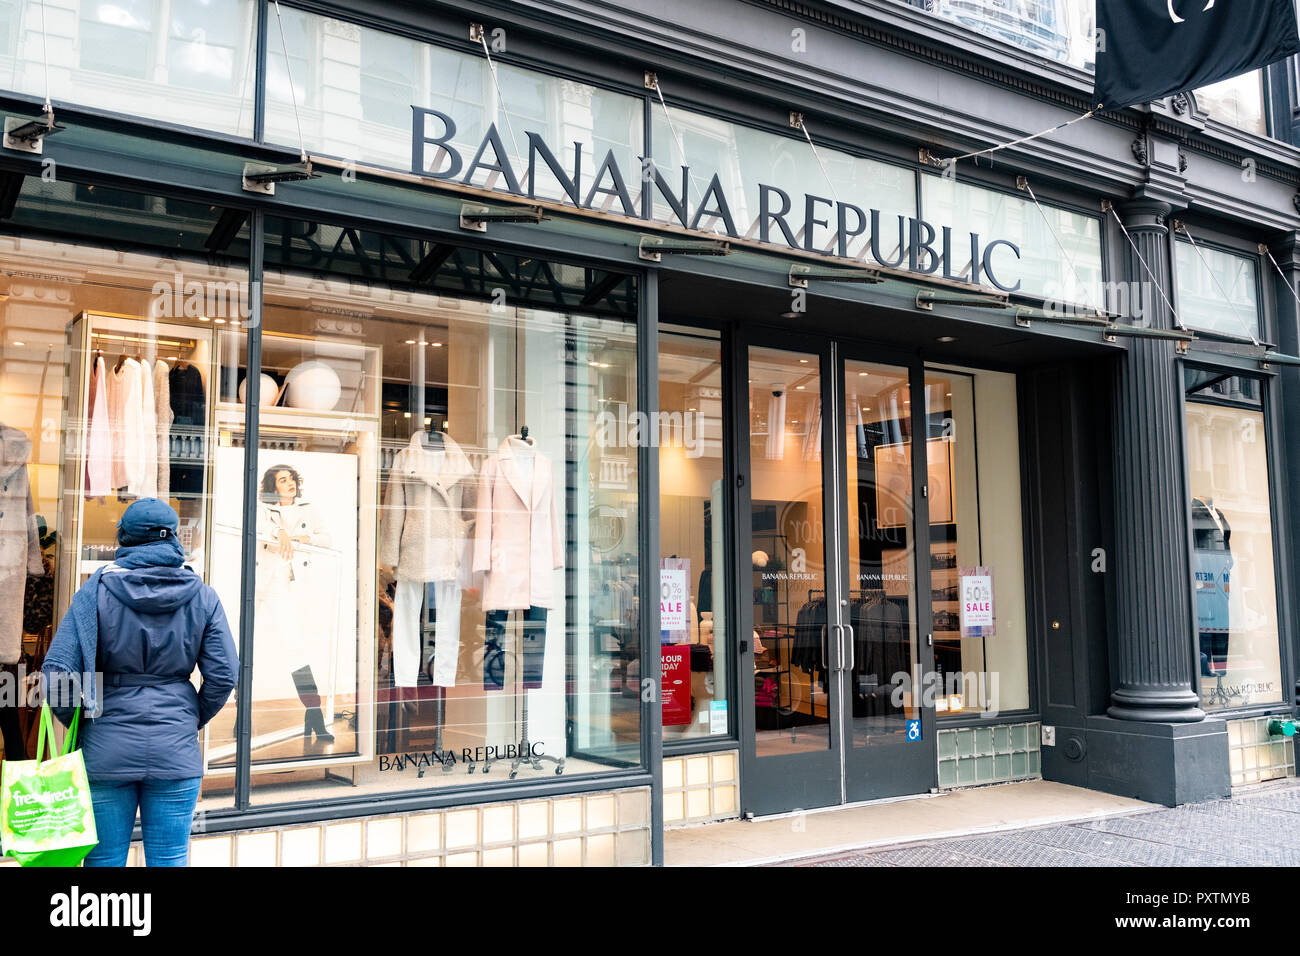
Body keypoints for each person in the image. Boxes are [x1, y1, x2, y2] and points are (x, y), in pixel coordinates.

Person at [42, 497, 237, 867]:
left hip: (105, 750)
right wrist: (190, 716)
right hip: (175, 749)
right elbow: (225, 673)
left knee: (103, 860)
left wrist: (81, 723)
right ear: (173, 538)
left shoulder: (93, 592)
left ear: (125, 538)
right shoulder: (204, 596)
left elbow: (56, 676)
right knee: (170, 858)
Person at [256, 464, 334, 744]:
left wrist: (304, 537)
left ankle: (315, 716)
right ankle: (241, 717)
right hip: (261, 582)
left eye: (291, 479)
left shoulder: (308, 508)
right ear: (273, 486)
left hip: (291, 586)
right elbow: (262, 527)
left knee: (296, 650)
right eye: (282, 480)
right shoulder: (261, 507)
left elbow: (326, 538)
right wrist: (281, 533)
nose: (289, 484)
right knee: (245, 647)